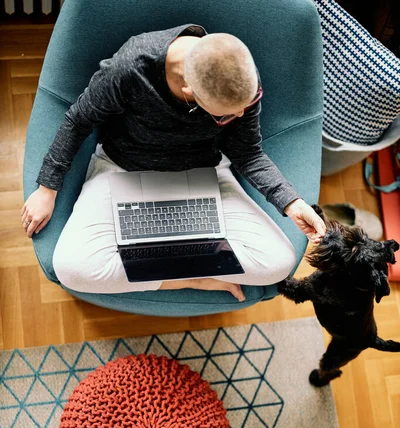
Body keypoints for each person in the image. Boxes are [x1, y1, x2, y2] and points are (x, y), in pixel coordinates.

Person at [21, 24, 326, 302]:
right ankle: (194, 280)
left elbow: (247, 152)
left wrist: (291, 203)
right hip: (121, 170)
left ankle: (162, 267)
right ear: (189, 93)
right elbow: (79, 120)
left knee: (279, 263)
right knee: (70, 268)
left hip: (205, 172)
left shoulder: (239, 76)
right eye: (225, 116)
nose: (240, 117)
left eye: (245, 107)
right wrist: (47, 188)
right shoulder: (130, 67)